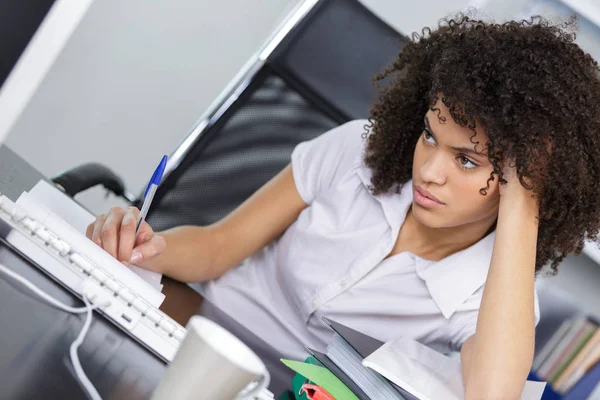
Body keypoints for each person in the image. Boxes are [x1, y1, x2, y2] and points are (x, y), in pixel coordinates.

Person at [87, 14, 600, 398]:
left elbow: (491, 394)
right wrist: (147, 247)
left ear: (519, 182)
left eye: (467, 161)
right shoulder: (357, 151)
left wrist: (525, 203)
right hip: (195, 333)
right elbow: (219, 246)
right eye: (429, 135)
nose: (430, 170)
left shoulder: (491, 293)